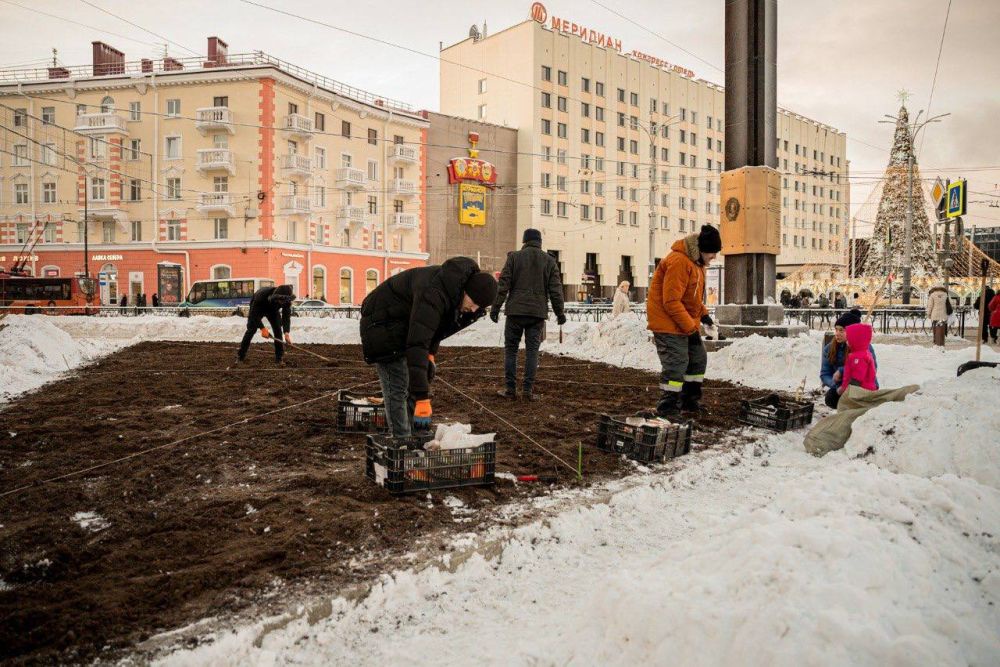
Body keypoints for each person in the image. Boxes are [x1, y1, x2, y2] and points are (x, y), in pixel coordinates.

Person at [360, 257, 497, 437]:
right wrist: (423, 398)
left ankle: (414, 433)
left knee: (418, 376)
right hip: (381, 324)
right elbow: (418, 341)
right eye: (474, 302)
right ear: (466, 291)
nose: (473, 309)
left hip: (404, 323)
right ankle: (401, 441)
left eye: (479, 307)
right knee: (398, 384)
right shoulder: (434, 292)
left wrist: (430, 354)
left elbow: (435, 327)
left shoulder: (452, 290)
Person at [647, 224, 720, 416]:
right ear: (702, 249)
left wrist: (704, 316)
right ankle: (667, 407)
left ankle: (689, 401)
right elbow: (671, 302)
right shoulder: (679, 261)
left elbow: (691, 300)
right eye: (712, 253)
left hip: (682, 323)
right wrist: (691, 330)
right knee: (676, 364)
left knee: (698, 359)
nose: (714, 257)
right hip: (667, 324)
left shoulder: (697, 265)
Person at [490, 229, 566, 401]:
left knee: (511, 350)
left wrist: (495, 308)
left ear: (524, 241)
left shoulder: (514, 258)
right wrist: (559, 313)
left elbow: (503, 285)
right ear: (540, 242)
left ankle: (510, 390)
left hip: (515, 312)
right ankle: (527, 391)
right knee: (532, 351)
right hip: (537, 314)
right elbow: (556, 290)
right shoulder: (549, 261)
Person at [820, 309, 878, 409]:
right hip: (842, 386)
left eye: (841, 330)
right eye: (836, 329)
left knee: (855, 399)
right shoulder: (829, 349)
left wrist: (841, 371)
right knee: (831, 398)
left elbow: (869, 370)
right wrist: (836, 385)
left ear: (852, 332)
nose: (837, 333)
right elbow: (825, 374)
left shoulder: (865, 347)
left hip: (863, 386)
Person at [237, 284, 295, 365]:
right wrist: (262, 328)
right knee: (251, 329)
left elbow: (286, 317)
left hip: (273, 311)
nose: (281, 303)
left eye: (283, 302)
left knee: (278, 330)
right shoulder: (261, 296)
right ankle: (241, 356)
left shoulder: (286, 301)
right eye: (280, 301)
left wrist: (286, 333)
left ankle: (279, 358)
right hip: (258, 309)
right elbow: (254, 315)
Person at [840, 322, 878, 394]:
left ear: (856, 340)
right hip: (860, 389)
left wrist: (847, 390)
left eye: (849, 339)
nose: (847, 341)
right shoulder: (861, 353)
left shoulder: (859, 357)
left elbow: (857, 378)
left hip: (861, 391)